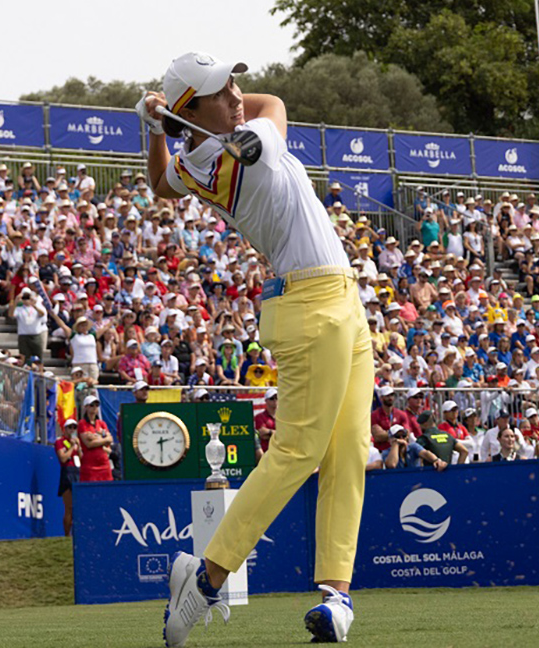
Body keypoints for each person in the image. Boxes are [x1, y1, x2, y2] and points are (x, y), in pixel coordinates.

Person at [142, 53, 370, 645]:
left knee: (348, 448)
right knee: (298, 449)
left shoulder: (201, 158)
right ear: (194, 108)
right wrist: (173, 122)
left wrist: (158, 128)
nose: (238, 95)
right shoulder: (254, 146)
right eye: (221, 92)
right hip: (310, 303)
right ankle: (206, 576)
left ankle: (336, 596)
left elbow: (161, 183)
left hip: (340, 298)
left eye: (234, 83)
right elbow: (276, 107)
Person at [76, 395, 113, 482]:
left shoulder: (101, 423)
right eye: (91, 405)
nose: (94, 407)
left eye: (96, 405)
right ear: (86, 407)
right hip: (89, 465)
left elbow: (110, 440)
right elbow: (88, 444)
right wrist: (103, 438)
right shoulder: (82, 424)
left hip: (104, 464)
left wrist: (96, 437)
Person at [55, 418, 82, 536]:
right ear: (64, 429)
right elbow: (63, 458)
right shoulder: (60, 442)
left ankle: (77, 533)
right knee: (69, 507)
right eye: (70, 427)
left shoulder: (76, 442)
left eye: (74, 428)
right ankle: (67, 534)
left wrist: (79, 447)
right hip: (67, 473)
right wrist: (71, 447)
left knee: (78, 507)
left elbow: (81, 458)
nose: (72, 430)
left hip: (78, 471)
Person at [255, 388, 278, 453]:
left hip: (280, 451)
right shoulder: (259, 416)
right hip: (266, 451)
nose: (275, 400)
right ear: (266, 400)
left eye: (276, 398)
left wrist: (269, 433)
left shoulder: (282, 417)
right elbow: (262, 434)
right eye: (272, 398)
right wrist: (278, 434)